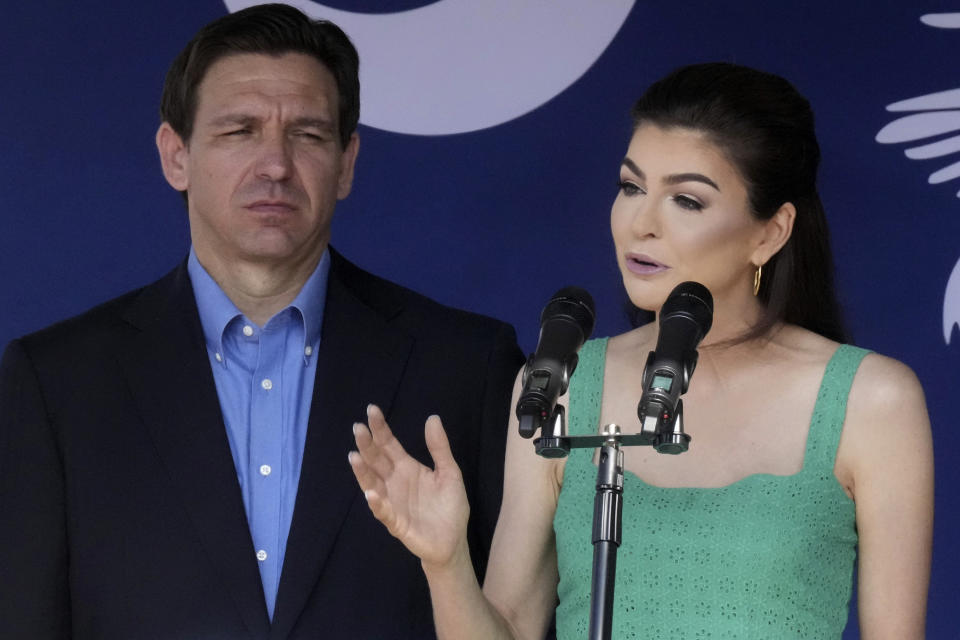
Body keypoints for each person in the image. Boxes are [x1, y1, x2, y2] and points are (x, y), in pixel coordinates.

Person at [349, 63, 934, 639]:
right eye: (631, 187)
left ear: (770, 233)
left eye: (687, 200)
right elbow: (511, 628)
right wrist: (445, 562)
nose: (640, 223)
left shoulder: (870, 401)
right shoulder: (563, 381)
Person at [0, 4, 523, 639]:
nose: (275, 165)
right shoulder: (59, 382)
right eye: (238, 131)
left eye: (307, 134)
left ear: (347, 163)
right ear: (176, 155)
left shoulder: (469, 365)